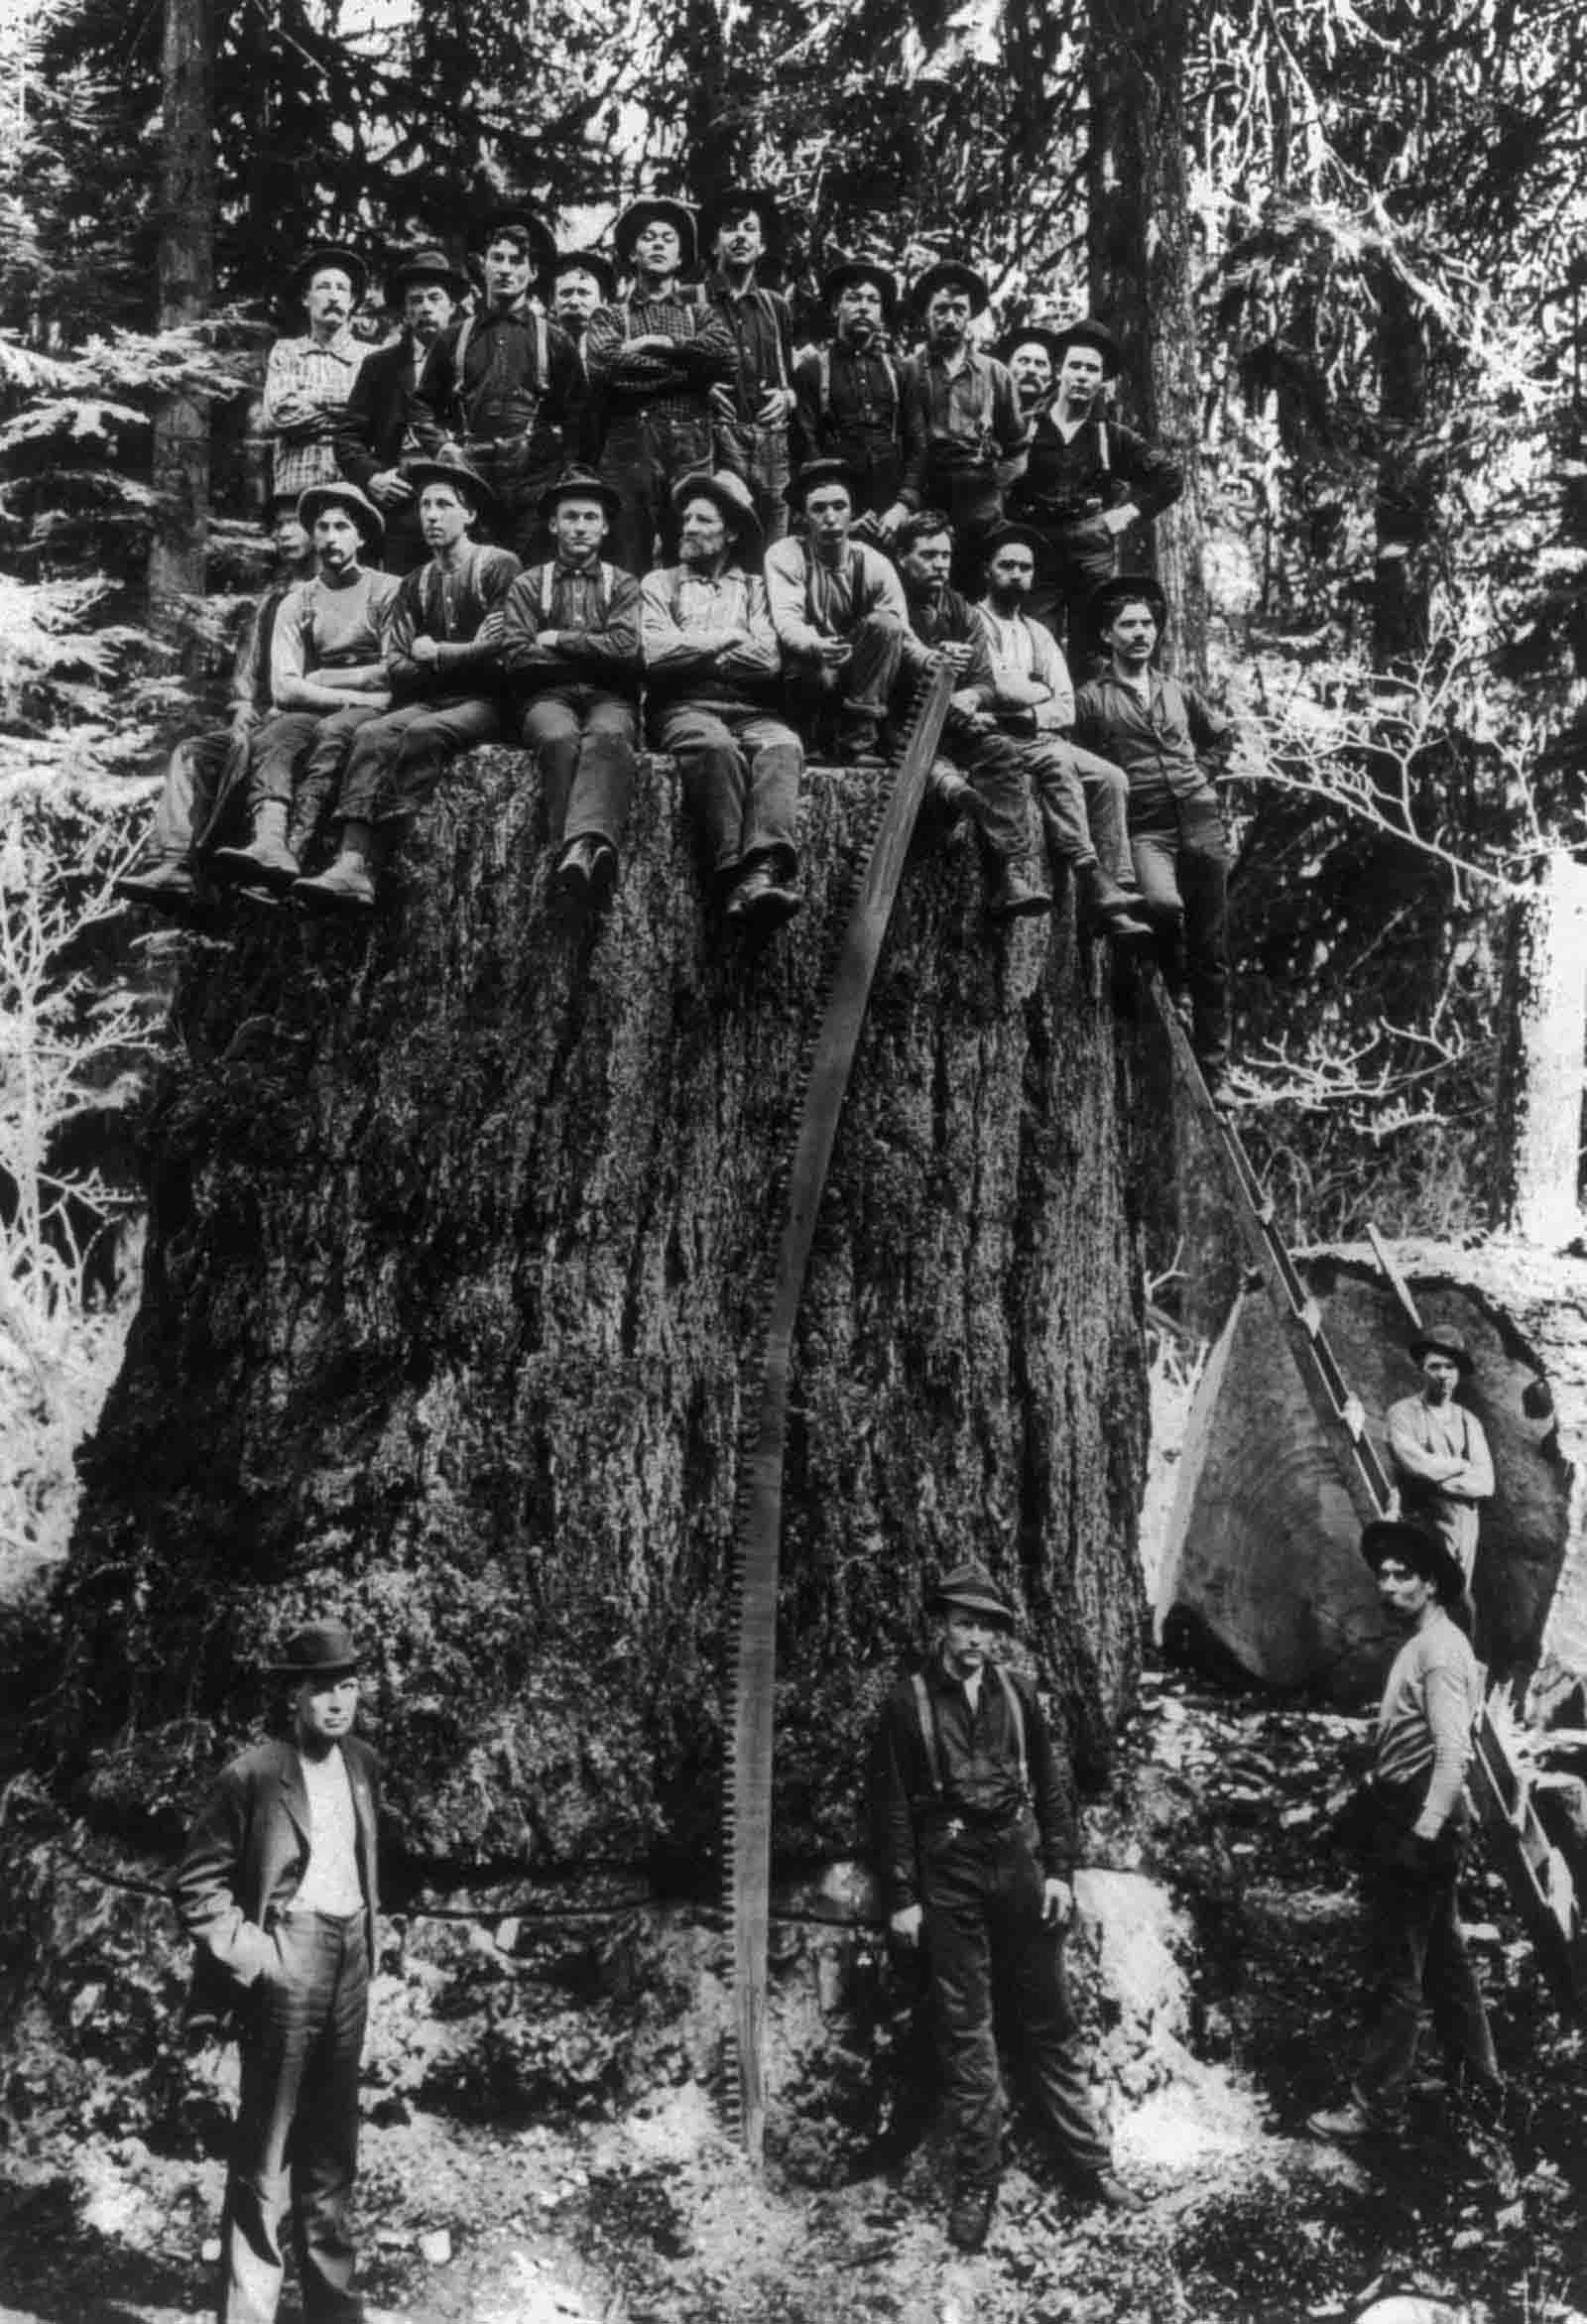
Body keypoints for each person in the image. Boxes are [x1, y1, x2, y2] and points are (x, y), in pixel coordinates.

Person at [874, 1561, 1142, 2253]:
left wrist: (1060, 1870)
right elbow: (893, 1808)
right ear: (942, 1623)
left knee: (1050, 2015)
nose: (974, 1639)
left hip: (1019, 1865)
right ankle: (977, 2182)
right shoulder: (907, 1703)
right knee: (968, 2027)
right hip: (952, 1868)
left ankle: (1091, 2165)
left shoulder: (1019, 1696)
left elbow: (1052, 1791)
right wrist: (902, 1895)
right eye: (963, 1622)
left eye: (986, 1626)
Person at [172, 1618, 380, 2324]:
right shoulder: (253, 1775)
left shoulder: (362, 1765)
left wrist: (368, 1940)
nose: (337, 1701)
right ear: (295, 1694)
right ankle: (248, 2314)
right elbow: (198, 1886)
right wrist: (261, 1958)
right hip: (286, 1964)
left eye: (348, 1685)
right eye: (322, 1687)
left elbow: (370, 1865)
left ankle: (335, 2314)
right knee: (265, 2162)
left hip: (349, 1961)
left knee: (332, 2159)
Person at [1306, 1521, 1505, 2146]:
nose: (1386, 1585)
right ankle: (1481, 2084)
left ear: (1432, 1584)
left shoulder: (1441, 1653)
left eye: (1402, 1576)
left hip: (1426, 1817)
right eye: (1383, 1573)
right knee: (1445, 1961)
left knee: (1398, 1968)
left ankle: (1376, 2107)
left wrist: (1421, 1833)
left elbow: (1454, 1755)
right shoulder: (1424, 1644)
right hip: (1411, 1809)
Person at [292, 458, 521, 915]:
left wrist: (437, 653)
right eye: (424, 506)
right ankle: (351, 861)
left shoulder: (497, 566)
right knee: (372, 734)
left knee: (422, 734)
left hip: (492, 703)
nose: (432, 515)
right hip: (436, 699)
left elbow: (504, 650)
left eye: (444, 505)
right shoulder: (417, 582)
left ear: (469, 515)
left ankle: (392, 851)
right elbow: (397, 665)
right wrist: (462, 654)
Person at [1072, 576, 1235, 1095]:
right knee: (1162, 906)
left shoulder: (1176, 689)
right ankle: (1175, 990)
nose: (1141, 633)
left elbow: (1222, 734)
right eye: (1128, 625)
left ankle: (1217, 1068)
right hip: (1146, 826)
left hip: (1200, 816)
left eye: (1147, 624)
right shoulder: (1092, 699)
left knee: (1212, 948)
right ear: (1106, 634)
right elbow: (1080, 761)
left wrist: (1203, 773)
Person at [115, 498, 314, 916]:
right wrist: (243, 703)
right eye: (277, 525)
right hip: (263, 716)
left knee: (244, 752)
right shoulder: (271, 600)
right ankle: (173, 861)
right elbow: (249, 666)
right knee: (189, 754)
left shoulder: (331, 594)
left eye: (294, 523)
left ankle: (208, 871)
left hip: (305, 718)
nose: (283, 532)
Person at [211, 484, 400, 895]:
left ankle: (300, 848)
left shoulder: (388, 590)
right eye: (322, 527)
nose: (332, 537)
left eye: (343, 527)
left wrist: (326, 681)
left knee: (332, 735)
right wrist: (353, 692)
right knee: (275, 733)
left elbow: (393, 670)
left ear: (361, 536)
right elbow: (284, 688)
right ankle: (270, 839)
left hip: (370, 708)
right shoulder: (297, 601)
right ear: (313, 536)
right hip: (336, 702)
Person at [973, 524, 1151, 942]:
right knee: (1058, 763)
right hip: (996, 739)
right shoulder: (972, 622)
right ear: (988, 571)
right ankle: (1090, 875)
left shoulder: (1040, 634)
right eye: (1007, 566)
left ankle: (1115, 888)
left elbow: (1066, 705)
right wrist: (1033, 693)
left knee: (1112, 777)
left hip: (1038, 734)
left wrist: (1030, 707)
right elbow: (994, 686)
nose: (1017, 574)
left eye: (1025, 568)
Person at [642, 469, 802, 932]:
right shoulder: (660, 583)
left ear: (730, 532)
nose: (688, 527)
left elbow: (767, 659)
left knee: (782, 747)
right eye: (686, 518)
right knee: (715, 749)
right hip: (683, 708)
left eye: (703, 520)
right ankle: (732, 869)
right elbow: (654, 651)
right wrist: (726, 640)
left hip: (750, 709)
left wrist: (693, 649)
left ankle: (764, 868)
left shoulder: (754, 588)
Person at [892, 512, 1052, 922]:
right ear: (902, 558)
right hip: (900, 721)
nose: (940, 564)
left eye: (945, 555)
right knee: (927, 764)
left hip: (955, 723)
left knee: (999, 751)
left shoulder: (960, 610)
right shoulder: (890, 601)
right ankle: (948, 785)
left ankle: (1010, 874)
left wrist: (969, 696)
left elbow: (985, 681)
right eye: (928, 555)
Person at [497, 468, 642, 909]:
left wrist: (558, 639)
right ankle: (580, 849)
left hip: (608, 696)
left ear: (605, 526)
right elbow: (517, 654)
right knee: (558, 737)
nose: (580, 526)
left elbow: (625, 648)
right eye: (571, 516)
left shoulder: (623, 583)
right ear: (553, 524)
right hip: (547, 697)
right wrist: (590, 652)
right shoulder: (528, 584)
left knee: (610, 736)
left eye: (590, 517)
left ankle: (573, 851)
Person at [1005, 318, 1183, 658]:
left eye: (1092, 369)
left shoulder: (1113, 436)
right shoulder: (1027, 426)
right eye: (1075, 365)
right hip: (1038, 550)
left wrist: (1127, 514)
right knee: (1037, 647)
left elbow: (1170, 478)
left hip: (1090, 554)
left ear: (1102, 380)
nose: (1082, 375)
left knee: (1092, 651)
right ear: (1059, 370)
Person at [409, 207, 579, 555]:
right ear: (481, 265)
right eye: (496, 258)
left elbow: (580, 414)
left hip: (535, 481)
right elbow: (421, 405)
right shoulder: (454, 338)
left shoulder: (556, 340)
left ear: (532, 272)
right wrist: (443, 448)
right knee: (474, 572)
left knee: (531, 579)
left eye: (516, 261)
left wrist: (559, 466)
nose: (505, 269)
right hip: (471, 477)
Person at [584, 197, 736, 573]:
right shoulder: (609, 315)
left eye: (667, 238)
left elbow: (727, 358)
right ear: (632, 252)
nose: (657, 244)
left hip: (690, 448)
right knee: (625, 554)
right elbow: (607, 367)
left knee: (689, 551)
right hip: (627, 449)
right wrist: (689, 375)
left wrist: (662, 346)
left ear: (681, 255)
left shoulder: (700, 314)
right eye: (648, 237)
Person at [333, 243, 471, 573]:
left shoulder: (475, 360)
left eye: (434, 298)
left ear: (452, 305)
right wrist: (374, 477)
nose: (425, 308)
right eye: (415, 300)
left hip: (462, 500)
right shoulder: (381, 366)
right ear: (405, 312)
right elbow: (347, 438)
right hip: (402, 502)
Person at [763, 457, 911, 764]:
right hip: (806, 670)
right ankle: (809, 740)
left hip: (855, 676)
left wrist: (929, 657)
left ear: (852, 512)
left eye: (839, 506)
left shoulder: (873, 563)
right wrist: (817, 645)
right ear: (803, 517)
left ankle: (859, 742)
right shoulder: (785, 554)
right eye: (818, 509)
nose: (830, 517)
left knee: (886, 625)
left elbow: (902, 630)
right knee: (801, 661)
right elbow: (787, 621)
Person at [900, 262, 1028, 577]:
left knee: (976, 584)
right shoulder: (908, 371)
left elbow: (1018, 448)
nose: (950, 319)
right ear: (926, 314)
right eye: (940, 309)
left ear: (970, 315)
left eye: (959, 310)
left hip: (980, 504)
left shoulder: (995, 373)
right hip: (928, 497)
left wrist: (993, 485)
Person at [699, 187, 797, 546]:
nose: (740, 235)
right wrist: (700, 389)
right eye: (729, 228)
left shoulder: (776, 307)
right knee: (716, 550)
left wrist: (788, 397)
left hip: (772, 451)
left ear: (762, 244)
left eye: (749, 228)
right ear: (713, 244)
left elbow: (790, 378)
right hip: (715, 447)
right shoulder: (691, 300)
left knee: (773, 555)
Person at [793, 256, 913, 541]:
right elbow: (806, 446)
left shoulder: (900, 370)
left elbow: (917, 444)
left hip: (891, 516)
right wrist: (841, 513)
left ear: (881, 313)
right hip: (833, 516)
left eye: (872, 300)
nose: (863, 307)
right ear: (835, 308)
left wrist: (903, 506)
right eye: (853, 298)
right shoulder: (812, 371)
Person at [262, 244, 369, 506]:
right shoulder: (287, 352)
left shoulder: (371, 357)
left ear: (352, 301)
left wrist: (309, 399)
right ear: (306, 298)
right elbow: (279, 415)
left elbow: (372, 422)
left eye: (341, 289)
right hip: (294, 494)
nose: (333, 296)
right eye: (323, 287)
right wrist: (346, 410)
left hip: (354, 495)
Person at [1386, 1326, 1495, 1586]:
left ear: (1459, 1373)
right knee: (1423, 1592)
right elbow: (1416, 1464)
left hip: (1466, 1524)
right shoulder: (1401, 1414)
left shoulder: (1470, 1422)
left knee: (1458, 1598)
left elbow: (1485, 1482)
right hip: (1423, 1518)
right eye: (1435, 1367)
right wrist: (1460, 1465)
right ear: (1422, 1369)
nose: (1443, 1375)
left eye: (1450, 1367)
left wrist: (1434, 1478)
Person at [549, 248, 617, 465]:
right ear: (553, 303)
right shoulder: (542, 347)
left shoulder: (615, 348)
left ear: (604, 301)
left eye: (584, 293)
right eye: (566, 293)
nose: (574, 301)